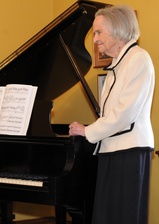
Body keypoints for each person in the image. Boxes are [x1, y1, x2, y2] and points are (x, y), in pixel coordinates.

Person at [69, 5, 154, 224]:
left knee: (124, 217)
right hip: (112, 148)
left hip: (129, 151)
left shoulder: (138, 58)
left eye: (98, 32)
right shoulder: (118, 63)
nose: (95, 39)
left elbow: (125, 113)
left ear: (118, 30)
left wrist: (87, 130)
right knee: (107, 216)